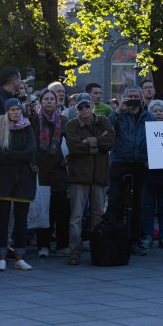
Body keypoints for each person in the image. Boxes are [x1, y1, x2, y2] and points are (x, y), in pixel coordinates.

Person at [64, 93, 114, 266]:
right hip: (78, 177)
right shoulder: (71, 125)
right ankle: (74, 252)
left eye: (87, 106)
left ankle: (97, 251)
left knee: (98, 216)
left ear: (93, 106)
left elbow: (110, 142)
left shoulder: (103, 121)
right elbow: (74, 147)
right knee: (76, 217)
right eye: (80, 107)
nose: (84, 109)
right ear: (76, 108)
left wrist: (88, 142)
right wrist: (98, 143)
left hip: (99, 176)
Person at [0, 98, 37, 271]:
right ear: (7, 111)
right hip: (3, 179)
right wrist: (20, 155)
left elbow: (31, 151)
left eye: (18, 109)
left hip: (24, 179)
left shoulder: (28, 127)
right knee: (2, 218)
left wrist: (12, 154)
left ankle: (19, 256)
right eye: (12, 110)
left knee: (21, 220)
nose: (16, 112)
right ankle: (1, 256)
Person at [108, 86, 151, 257]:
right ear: (122, 97)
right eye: (129, 96)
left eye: (135, 96)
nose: (132, 99)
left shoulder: (148, 117)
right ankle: (112, 236)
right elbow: (107, 129)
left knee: (137, 204)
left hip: (140, 163)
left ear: (141, 99)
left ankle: (134, 240)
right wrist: (119, 110)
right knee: (114, 201)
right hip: (120, 162)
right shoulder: (118, 115)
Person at [31, 89, 70, 258]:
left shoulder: (63, 120)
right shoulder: (34, 120)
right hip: (41, 170)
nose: (48, 101)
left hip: (59, 169)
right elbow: (30, 142)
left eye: (51, 99)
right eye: (45, 99)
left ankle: (62, 245)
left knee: (61, 209)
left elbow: (70, 141)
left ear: (56, 102)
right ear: (40, 102)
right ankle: (43, 245)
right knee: (43, 208)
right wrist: (32, 162)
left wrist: (68, 157)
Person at [142, 99, 163, 249]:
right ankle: (148, 235)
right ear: (149, 113)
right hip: (148, 175)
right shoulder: (144, 129)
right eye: (154, 111)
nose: (158, 113)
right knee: (148, 207)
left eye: (160, 111)